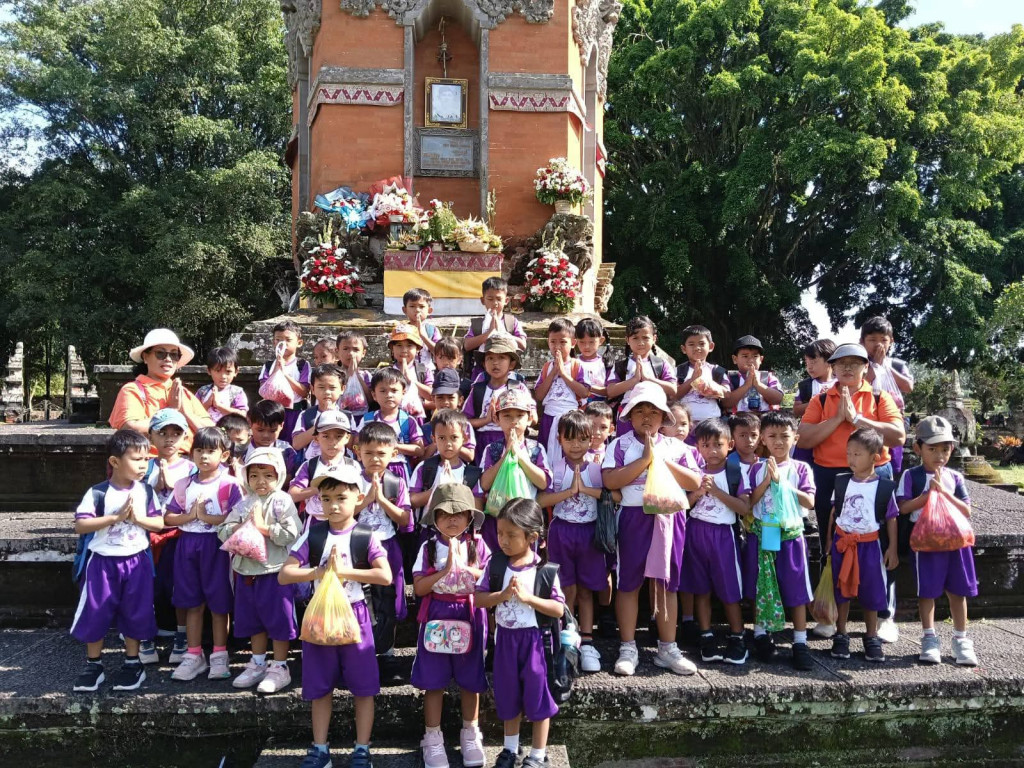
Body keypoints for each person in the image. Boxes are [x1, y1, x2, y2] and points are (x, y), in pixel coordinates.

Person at [279, 465, 392, 768]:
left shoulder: (366, 534)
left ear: (358, 497)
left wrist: (343, 572)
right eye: (326, 499)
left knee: (364, 687)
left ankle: (362, 748)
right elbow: (285, 574)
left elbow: (385, 575)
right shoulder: (313, 535)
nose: (333, 505)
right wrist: (317, 572)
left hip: (356, 616)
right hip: (321, 616)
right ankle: (319, 748)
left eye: (341, 497)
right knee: (319, 686)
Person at [797, 343, 905, 640]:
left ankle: (885, 616)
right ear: (832, 367)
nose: (847, 368)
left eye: (854, 363)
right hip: (831, 475)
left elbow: (897, 436)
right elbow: (804, 439)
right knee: (830, 543)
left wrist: (857, 419)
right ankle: (828, 614)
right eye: (840, 363)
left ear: (865, 368)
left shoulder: (879, 397)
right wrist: (837, 419)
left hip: (874, 474)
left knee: (881, 544)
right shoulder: (820, 399)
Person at [602, 382, 700, 677]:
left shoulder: (678, 447)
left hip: (670, 518)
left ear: (663, 417)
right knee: (629, 581)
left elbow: (695, 482)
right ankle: (628, 646)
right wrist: (644, 459)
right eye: (639, 411)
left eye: (653, 412)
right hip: (633, 516)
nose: (647, 417)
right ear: (629, 416)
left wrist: (661, 460)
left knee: (667, 582)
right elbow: (610, 481)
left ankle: (667, 648)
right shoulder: (619, 445)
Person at [71, 430, 165, 693]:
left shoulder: (146, 491)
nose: (142, 465)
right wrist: (114, 518)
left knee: (136, 611)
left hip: (137, 561)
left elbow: (158, 523)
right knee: (96, 610)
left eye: (146, 459)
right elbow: (81, 524)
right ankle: (93, 664)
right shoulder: (98, 492)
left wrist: (136, 519)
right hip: (102, 563)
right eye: (136, 459)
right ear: (114, 462)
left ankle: (132, 662)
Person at [476, 499, 565, 768]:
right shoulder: (496, 564)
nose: (503, 540)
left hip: (535, 641)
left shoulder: (544, 571)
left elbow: (558, 609)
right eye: (500, 533)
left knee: (538, 695)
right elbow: (479, 599)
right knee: (507, 693)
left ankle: (538, 754)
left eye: (511, 535)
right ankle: (509, 749)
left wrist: (529, 599)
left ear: (532, 537)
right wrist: (501, 596)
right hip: (505, 640)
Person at [412, 484, 490, 768]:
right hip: (436, 613)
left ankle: (471, 732)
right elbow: (419, 587)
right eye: (444, 513)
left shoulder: (478, 546)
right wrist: (444, 571)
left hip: (469, 614)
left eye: (459, 513)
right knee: (434, 680)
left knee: (471, 678)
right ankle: (432, 737)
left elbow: (488, 579)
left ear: (470, 516)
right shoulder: (428, 547)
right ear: (434, 517)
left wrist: (465, 568)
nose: (452, 519)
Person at [163, 427, 245, 682]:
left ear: (224, 455)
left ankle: (220, 655)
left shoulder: (229, 484)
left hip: (217, 546)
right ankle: (193, 654)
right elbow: (168, 517)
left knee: (220, 603)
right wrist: (191, 516)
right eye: (199, 450)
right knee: (192, 602)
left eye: (211, 451)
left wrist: (207, 517)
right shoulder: (184, 484)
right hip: (187, 544)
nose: (204, 456)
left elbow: (237, 517)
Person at [896, 416, 978, 666]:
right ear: (918, 448)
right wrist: (928, 494)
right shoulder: (912, 476)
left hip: (955, 542)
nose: (940, 455)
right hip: (926, 543)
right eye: (932, 449)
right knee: (927, 591)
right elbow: (902, 508)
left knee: (958, 591)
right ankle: (929, 637)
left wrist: (944, 493)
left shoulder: (955, 477)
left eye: (945, 449)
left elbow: (967, 510)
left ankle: (961, 638)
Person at [218, 448, 301, 692]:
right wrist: (240, 527)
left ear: (279, 476)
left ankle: (280, 666)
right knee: (253, 620)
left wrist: (264, 528)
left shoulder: (282, 501)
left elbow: (291, 534)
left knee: (278, 619)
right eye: (254, 475)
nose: (260, 481)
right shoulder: (244, 503)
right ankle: (257, 663)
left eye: (267, 475)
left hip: (274, 571)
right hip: (247, 572)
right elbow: (223, 530)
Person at [537, 410, 608, 674]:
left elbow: (611, 496)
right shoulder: (555, 468)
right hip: (562, 532)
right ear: (560, 439)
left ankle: (587, 641)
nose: (576, 445)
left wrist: (584, 489)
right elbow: (541, 501)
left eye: (582, 439)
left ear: (590, 439)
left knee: (587, 589)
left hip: (589, 533)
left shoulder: (598, 468)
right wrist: (569, 492)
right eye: (570, 440)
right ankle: (567, 633)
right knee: (565, 587)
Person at [744, 412, 816, 670]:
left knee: (796, 588)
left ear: (795, 438)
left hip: (790, 536)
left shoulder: (800, 469)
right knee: (759, 584)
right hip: (763, 533)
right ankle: (761, 635)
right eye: (772, 436)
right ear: (762, 438)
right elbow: (749, 503)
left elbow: (809, 501)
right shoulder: (755, 468)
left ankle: (799, 641)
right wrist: (767, 481)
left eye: (784, 436)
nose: (778, 441)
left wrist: (782, 483)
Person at [827, 428, 899, 663]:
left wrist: (892, 548)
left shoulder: (884, 487)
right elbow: (834, 511)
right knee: (841, 589)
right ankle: (841, 633)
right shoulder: (842, 481)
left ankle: (871, 636)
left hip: (869, 546)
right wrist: (829, 540)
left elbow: (891, 518)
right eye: (849, 453)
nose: (851, 459)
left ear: (875, 457)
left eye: (857, 454)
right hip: (842, 542)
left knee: (872, 591)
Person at [682, 418, 750, 666]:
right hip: (696, 532)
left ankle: (737, 636)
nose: (711, 451)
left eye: (717, 445)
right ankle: (706, 635)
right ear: (697, 447)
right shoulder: (693, 472)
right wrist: (698, 491)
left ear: (730, 445)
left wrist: (718, 493)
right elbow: (684, 505)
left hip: (723, 535)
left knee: (729, 589)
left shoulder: (735, 472)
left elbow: (744, 506)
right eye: (705, 445)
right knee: (701, 588)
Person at [355, 420, 413, 679]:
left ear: (394, 453)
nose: (375, 459)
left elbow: (405, 519)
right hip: (357, 546)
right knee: (361, 600)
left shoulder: (397, 482)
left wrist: (381, 501)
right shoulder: (351, 479)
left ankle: (387, 654)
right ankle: (360, 653)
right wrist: (367, 499)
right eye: (368, 453)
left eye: (381, 453)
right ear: (358, 452)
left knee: (387, 601)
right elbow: (341, 513)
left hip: (387, 545)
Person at [143, 409, 194, 664]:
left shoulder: (192, 467)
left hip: (179, 533)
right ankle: (144, 634)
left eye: (176, 433)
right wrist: (155, 480)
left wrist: (172, 482)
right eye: (162, 433)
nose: (169, 439)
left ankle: (182, 635)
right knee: (144, 586)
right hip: (147, 533)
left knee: (179, 585)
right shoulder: (144, 464)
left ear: (185, 437)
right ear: (151, 436)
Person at [109, 328, 214, 450]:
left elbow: (211, 431)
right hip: (150, 463)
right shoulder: (132, 390)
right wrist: (171, 411)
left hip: (188, 464)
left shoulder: (182, 392)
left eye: (174, 354)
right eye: (160, 353)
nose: (168, 359)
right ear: (145, 357)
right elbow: (131, 428)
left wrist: (185, 413)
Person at [479, 386, 551, 554]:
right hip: (498, 520)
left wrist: (519, 456)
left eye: (520, 416)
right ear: (497, 419)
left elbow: (543, 482)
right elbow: (484, 483)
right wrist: (506, 456)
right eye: (507, 416)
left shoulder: (536, 449)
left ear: (529, 418)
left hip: (526, 521)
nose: (514, 421)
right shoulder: (493, 449)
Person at [606, 316, 677, 436]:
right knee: (626, 447)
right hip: (627, 413)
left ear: (654, 338)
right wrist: (634, 380)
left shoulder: (661, 364)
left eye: (645, 338)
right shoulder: (620, 366)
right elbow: (610, 391)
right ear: (627, 340)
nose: (641, 343)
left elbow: (673, 389)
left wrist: (649, 379)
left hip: (655, 411)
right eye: (635, 338)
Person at [861, 316, 914, 475]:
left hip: (893, 419)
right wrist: (875, 365)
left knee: (894, 461)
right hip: (868, 418)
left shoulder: (897, 364)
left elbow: (908, 387)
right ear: (862, 341)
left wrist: (885, 366)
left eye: (883, 340)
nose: (878, 344)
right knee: (869, 457)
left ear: (891, 341)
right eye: (872, 339)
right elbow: (861, 383)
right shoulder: (859, 363)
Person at [289, 411, 359, 525]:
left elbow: (361, 496)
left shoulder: (353, 466)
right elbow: (293, 494)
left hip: (345, 524)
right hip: (314, 524)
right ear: (316, 439)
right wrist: (322, 486)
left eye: (339, 436)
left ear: (347, 438)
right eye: (326, 436)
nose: (332, 442)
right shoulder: (310, 465)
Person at [533, 318, 588, 462]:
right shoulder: (546, 367)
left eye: (563, 342)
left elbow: (584, 392)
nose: (557, 346)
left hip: (570, 416)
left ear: (573, 343)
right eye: (553, 342)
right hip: (549, 417)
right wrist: (553, 372)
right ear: (548, 342)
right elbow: (539, 395)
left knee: (568, 453)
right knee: (546, 453)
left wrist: (563, 373)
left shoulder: (577, 365)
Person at [410, 408, 484, 514]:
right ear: (434, 439)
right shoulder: (425, 467)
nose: (448, 443)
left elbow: (478, 507)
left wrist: (453, 490)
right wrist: (438, 490)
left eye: (454, 437)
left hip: (460, 529)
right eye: (442, 438)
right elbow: (412, 500)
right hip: (429, 529)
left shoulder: (470, 474)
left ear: (465, 439)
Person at [464, 335, 522, 463]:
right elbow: (464, 421)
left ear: (511, 364)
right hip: (482, 441)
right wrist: (486, 420)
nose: (495, 363)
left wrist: (507, 417)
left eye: (501, 357)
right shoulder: (478, 389)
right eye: (490, 358)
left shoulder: (518, 389)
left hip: (509, 438)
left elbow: (532, 417)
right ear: (484, 364)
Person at [462, 277, 528, 381]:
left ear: (506, 300)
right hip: (481, 374)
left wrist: (503, 333)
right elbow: (467, 345)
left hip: (506, 374)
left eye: (499, 299)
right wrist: (489, 333)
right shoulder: (478, 324)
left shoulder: (511, 321)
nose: (495, 303)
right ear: (483, 300)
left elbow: (523, 345)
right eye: (490, 299)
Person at [258, 320, 312, 442]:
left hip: (294, 413)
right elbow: (263, 391)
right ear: (273, 342)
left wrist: (284, 373)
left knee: (292, 443)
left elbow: (304, 392)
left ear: (299, 343)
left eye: (288, 340)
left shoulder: (302, 365)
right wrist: (277, 368)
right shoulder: (268, 366)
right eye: (278, 340)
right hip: (272, 413)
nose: (283, 343)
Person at [792, 339, 836, 463]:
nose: (809, 366)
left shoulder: (840, 384)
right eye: (807, 362)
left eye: (814, 361)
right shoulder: (805, 386)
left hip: (833, 437)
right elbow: (796, 410)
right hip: (809, 436)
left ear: (829, 361)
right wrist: (817, 400)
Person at [675, 325, 729, 423]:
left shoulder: (717, 371)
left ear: (711, 346)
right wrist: (692, 380)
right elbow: (673, 396)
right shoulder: (678, 371)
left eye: (701, 343)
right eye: (691, 344)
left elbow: (728, 396)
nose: (697, 348)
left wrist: (711, 387)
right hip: (685, 424)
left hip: (712, 423)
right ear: (684, 349)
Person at [291, 363, 347, 458]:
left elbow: (352, 443)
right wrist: (321, 423)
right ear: (312, 389)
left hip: (340, 467)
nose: (327, 392)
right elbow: (296, 444)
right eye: (321, 387)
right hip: (312, 467)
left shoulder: (347, 416)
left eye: (332, 388)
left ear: (342, 389)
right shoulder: (306, 415)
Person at [421, 369, 476, 464]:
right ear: (433, 399)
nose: (445, 402)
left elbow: (470, 456)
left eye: (451, 397)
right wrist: (438, 441)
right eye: (440, 397)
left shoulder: (465, 425)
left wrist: (452, 442)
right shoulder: (426, 428)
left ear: (460, 400)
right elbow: (422, 458)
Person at [723, 335, 784, 414]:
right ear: (735, 359)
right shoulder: (729, 377)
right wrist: (746, 385)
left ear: (761, 359)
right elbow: (726, 403)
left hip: (764, 420)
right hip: (738, 421)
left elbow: (778, 399)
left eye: (755, 356)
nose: (751, 360)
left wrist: (758, 385)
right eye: (745, 356)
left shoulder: (768, 377)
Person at [246, 399, 301, 483]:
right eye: (260, 430)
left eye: (272, 431)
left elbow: (290, 476)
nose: (266, 435)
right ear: (250, 423)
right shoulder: (242, 450)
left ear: (282, 425)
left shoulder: (286, 451)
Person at [388, 323, 432, 420]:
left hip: (417, 419)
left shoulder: (423, 371)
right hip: (392, 420)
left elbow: (431, 396)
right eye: (399, 345)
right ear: (392, 349)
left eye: (409, 345)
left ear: (417, 349)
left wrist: (412, 381)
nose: (404, 350)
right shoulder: (386, 372)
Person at [195, 347, 248, 424]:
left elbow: (242, 415)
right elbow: (194, 413)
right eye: (218, 371)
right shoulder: (202, 391)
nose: (223, 376)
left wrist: (219, 406)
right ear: (209, 371)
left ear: (236, 372)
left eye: (228, 371)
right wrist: (208, 403)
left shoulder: (237, 392)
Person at [402, 288, 442, 381]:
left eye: (421, 307)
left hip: (428, 373)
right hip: (406, 370)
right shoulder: (401, 330)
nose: (417, 310)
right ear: (405, 310)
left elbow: (439, 353)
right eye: (412, 306)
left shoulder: (432, 330)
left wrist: (423, 336)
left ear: (429, 310)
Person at [336, 331, 373, 424]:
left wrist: (356, 375)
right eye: (345, 349)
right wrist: (348, 376)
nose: (351, 353)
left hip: (363, 418)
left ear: (363, 353)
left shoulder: (366, 375)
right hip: (340, 419)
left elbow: (371, 399)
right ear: (337, 351)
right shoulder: (333, 374)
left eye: (356, 350)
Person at [574, 317, 608, 400]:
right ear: (575, 341)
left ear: (601, 340)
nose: (586, 346)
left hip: (600, 408)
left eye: (591, 342)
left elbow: (610, 390)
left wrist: (588, 387)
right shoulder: (573, 363)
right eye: (582, 342)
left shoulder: (606, 363)